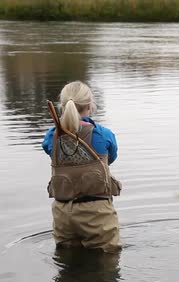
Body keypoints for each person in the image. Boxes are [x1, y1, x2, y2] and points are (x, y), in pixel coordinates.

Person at [42, 81, 122, 253]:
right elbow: (110, 159)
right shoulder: (103, 134)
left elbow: (50, 151)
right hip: (97, 214)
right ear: (89, 106)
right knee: (106, 268)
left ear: (62, 106)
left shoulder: (51, 136)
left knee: (68, 269)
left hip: (63, 213)